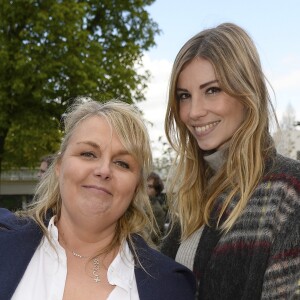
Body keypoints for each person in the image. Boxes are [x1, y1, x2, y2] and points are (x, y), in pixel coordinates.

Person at [0, 98, 196, 300]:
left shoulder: (171, 287)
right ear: (59, 166)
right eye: (88, 154)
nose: (103, 170)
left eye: (122, 163)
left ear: (136, 186)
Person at [161, 22, 300, 299]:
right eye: (184, 96)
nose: (193, 112)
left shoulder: (288, 190)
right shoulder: (190, 195)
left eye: (212, 90)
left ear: (246, 92)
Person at [147, 172, 166, 242]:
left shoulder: (158, 211)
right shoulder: (136, 203)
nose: (146, 188)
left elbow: (152, 236)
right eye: (144, 185)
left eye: (150, 186)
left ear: (156, 191)